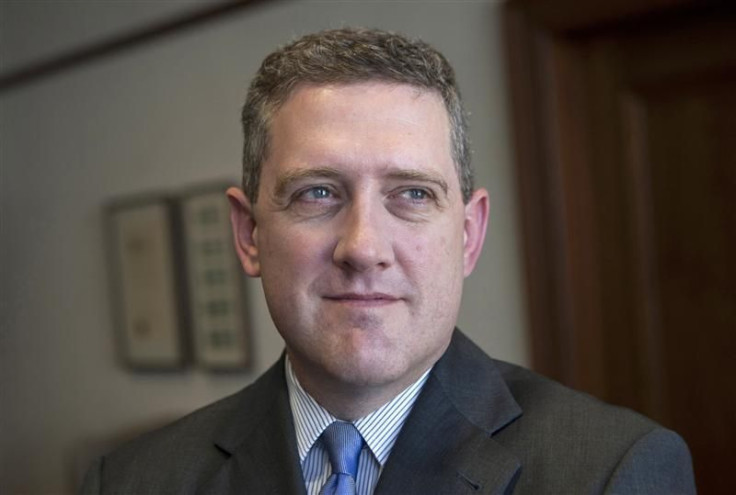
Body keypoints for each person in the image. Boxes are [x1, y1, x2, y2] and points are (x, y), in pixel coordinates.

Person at [81, 28, 695, 494]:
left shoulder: (612, 472)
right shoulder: (135, 480)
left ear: (468, 235)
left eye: (412, 194)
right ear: (248, 235)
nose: (364, 248)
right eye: (317, 192)